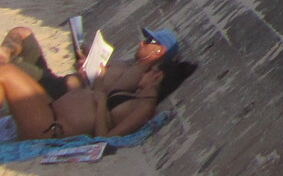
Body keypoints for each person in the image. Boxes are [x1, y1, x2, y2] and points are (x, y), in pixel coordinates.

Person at [0, 56, 194, 142]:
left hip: (51, 127)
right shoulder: (136, 94)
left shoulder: (144, 108)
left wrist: (101, 105)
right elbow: (99, 93)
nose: (144, 73)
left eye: (150, 71)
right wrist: (98, 76)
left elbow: (105, 140)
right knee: (7, 70)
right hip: (49, 109)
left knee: (5, 73)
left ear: (157, 77)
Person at [3, 24, 180, 100]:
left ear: (159, 51)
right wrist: (86, 62)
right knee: (21, 33)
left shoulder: (138, 73)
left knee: (5, 68)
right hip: (56, 81)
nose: (142, 42)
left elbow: (104, 95)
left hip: (57, 93)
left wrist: (89, 76)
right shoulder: (130, 65)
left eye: (148, 41)